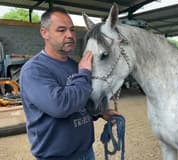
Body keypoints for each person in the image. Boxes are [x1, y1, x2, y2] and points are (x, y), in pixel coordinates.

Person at [20, 7, 119, 160]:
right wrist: (85, 73)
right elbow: (60, 106)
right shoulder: (34, 70)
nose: (70, 35)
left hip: (86, 152)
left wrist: (99, 113)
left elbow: (81, 101)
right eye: (61, 30)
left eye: (72, 30)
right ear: (44, 33)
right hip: (57, 157)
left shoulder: (75, 66)